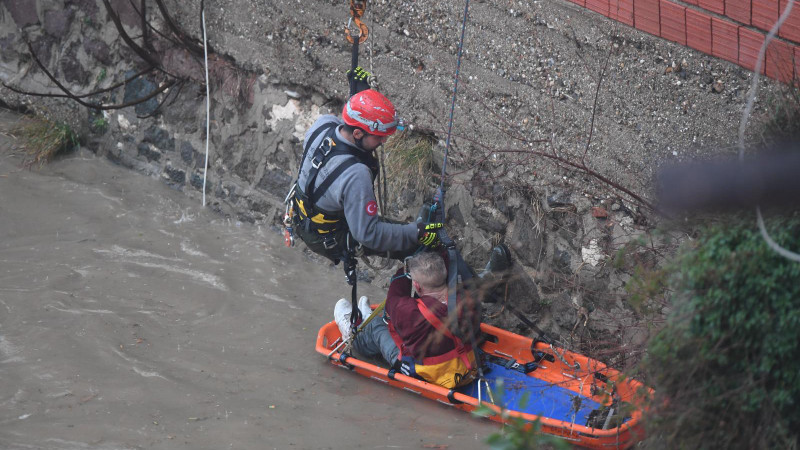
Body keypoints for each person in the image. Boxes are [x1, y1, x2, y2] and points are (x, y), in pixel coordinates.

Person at [287, 88, 443, 264]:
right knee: (417, 245)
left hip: (302, 216)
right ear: (357, 134)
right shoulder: (356, 173)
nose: (384, 141)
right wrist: (417, 233)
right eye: (379, 137)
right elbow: (368, 234)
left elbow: (351, 121)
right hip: (330, 237)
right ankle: (430, 268)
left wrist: (361, 100)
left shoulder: (323, 124)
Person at [333, 251, 482, 389]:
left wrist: (404, 269)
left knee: (376, 327)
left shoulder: (410, 312)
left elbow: (394, 297)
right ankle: (367, 318)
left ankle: (355, 336)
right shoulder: (468, 298)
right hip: (466, 365)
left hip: (430, 375)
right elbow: (448, 257)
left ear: (416, 285)